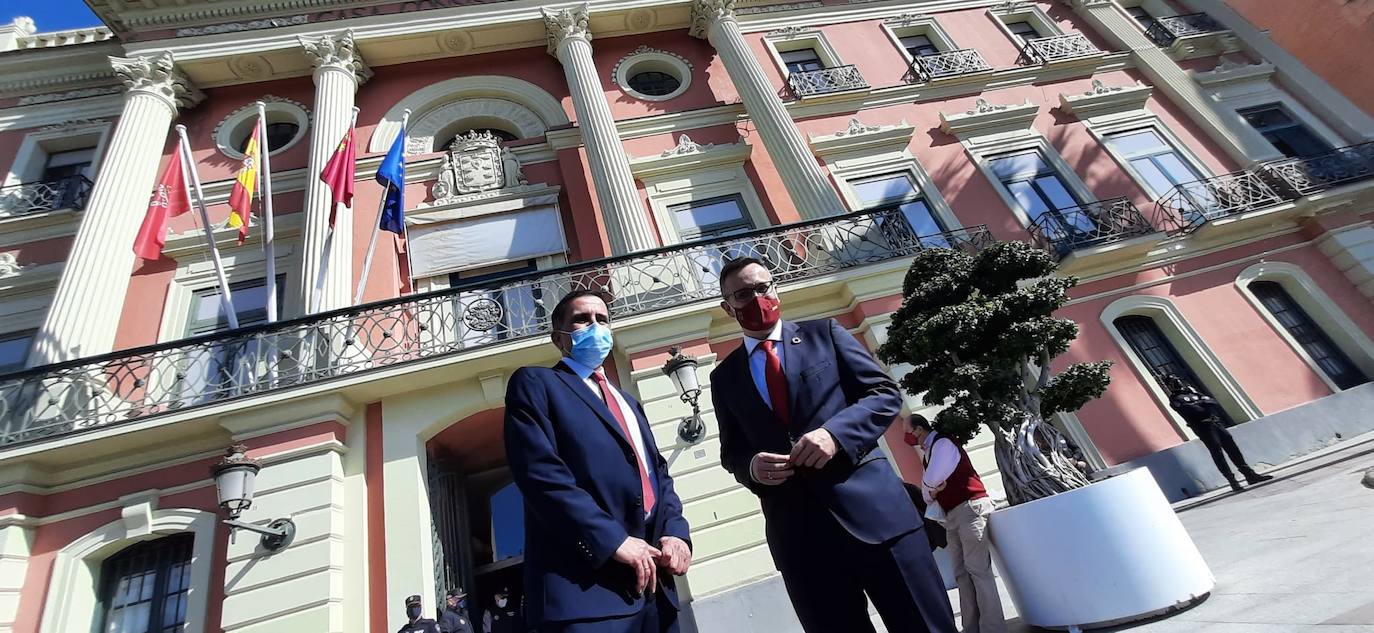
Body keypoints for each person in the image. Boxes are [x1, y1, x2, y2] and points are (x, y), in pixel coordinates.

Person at [709, 257, 957, 633]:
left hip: (879, 520)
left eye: (763, 287)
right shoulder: (724, 377)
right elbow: (732, 452)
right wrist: (752, 467)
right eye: (743, 294)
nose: (757, 298)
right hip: (801, 540)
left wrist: (835, 435)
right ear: (729, 308)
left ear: (775, 288)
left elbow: (883, 395)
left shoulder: (825, 333)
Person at [504, 289, 693, 633]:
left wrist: (676, 532)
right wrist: (612, 540)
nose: (595, 326)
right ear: (558, 338)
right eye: (582, 319)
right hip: (585, 596)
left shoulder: (628, 402)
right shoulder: (536, 384)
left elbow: (658, 476)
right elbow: (541, 475)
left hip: (655, 589)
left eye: (602, 319)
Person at [908, 415, 1005, 633]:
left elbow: (930, 482)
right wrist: (931, 490)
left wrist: (931, 489)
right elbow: (926, 493)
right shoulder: (928, 452)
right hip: (952, 514)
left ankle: (993, 628)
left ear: (919, 429)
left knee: (978, 570)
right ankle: (971, 627)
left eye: (908, 430)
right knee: (961, 572)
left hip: (970, 507)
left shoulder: (942, 443)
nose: (907, 436)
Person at [1162, 374, 1273, 492]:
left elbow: (1213, 402)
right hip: (1203, 427)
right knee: (1217, 452)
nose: (1178, 382)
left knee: (1232, 448)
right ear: (1170, 385)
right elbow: (1193, 410)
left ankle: (1249, 474)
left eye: (1178, 380)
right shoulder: (1175, 399)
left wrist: (1200, 403)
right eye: (1174, 381)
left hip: (1216, 423)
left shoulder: (1193, 393)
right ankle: (1233, 481)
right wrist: (1202, 403)